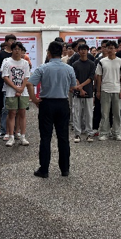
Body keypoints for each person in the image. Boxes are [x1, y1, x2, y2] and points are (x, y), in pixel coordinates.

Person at [26, 41, 76, 178]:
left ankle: (44, 170)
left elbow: (30, 84)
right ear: (61, 53)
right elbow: (73, 86)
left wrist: (34, 99)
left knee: (45, 137)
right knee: (63, 137)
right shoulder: (69, 68)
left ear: (48, 53)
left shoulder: (43, 68)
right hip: (62, 103)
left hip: (46, 104)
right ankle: (65, 169)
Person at [96, 40, 121, 141]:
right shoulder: (102, 62)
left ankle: (117, 133)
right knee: (104, 113)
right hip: (105, 89)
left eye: (112, 48)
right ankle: (104, 132)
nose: (110, 50)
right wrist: (98, 91)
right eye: (108, 48)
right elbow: (99, 77)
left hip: (117, 90)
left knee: (117, 113)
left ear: (116, 49)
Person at [2, 41, 31, 147]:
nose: (17, 51)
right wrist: (15, 88)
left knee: (22, 113)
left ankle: (23, 136)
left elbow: (26, 77)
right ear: (12, 50)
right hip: (11, 92)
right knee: (12, 113)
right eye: (15, 49)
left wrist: (21, 89)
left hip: (23, 92)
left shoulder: (25, 63)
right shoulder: (7, 62)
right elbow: (5, 77)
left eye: (19, 49)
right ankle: (11, 136)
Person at [71, 44, 96, 142]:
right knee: (76, 113)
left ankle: (89, 133)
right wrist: (80, 89)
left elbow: (91, 77)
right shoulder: (75, 64)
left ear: (87, 51)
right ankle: (77, 134)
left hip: (89, 91)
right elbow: (75, 77)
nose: (83, 51)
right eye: (81, 50)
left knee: (89, 114)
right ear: (78, 51)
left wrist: (81, 86)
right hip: (77, 92)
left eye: (85, 49)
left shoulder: (92, 64)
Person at [0, 34, 16, 138]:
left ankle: (14, 130)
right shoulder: (1, 55)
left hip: (16, 85)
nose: (12, 42)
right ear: (6, 41)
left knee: (15, 109)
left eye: (14, 40)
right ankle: (3, 129)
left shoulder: (16, 53)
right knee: (4, 108)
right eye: (11, 40)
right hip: (3, 85)